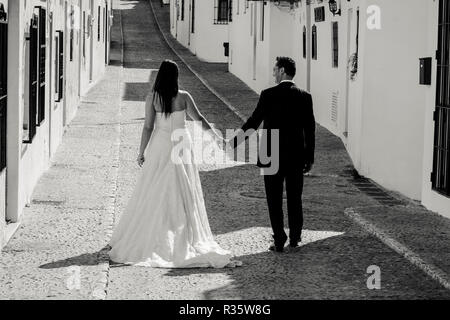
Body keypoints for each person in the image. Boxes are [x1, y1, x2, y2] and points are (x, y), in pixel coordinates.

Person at [109, 60, 241, 268]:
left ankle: (152, 232)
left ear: (159, 76)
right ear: (176, 76)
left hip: (161, 145)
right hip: (181, 144)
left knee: (154, 189)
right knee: (183, 189)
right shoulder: (184, 96)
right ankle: (182, 232)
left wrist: (141, 151)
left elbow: (147, 127)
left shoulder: (153, 97)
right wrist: (217, 139)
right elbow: (200, 119)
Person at [229, 56, 316, 253]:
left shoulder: (268, 94)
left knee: (274, 199)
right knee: (295, 197)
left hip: (271, 154)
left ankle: (279, 239)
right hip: (295, 155)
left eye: (275, 70)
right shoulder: (305, 96)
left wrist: (234, 142)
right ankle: (295, 237)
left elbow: (253, 121)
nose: (273, 73)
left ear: (283, 71)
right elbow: (310, 130)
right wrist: (309, 157)